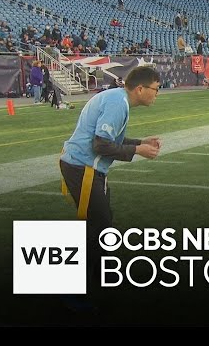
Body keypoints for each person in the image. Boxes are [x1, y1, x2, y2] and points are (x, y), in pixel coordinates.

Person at [59, 66, 162, 285]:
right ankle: (72, 288)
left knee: (101, 224)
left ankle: (102, 274)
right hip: (83, 167)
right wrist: (137, 150)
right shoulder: (117, 103)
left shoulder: (118, 98)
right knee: (99, 227)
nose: (157, 94)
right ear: (140, 89)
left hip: (86, 167)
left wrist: (139, 142)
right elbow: (101, 145)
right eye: (156, 89)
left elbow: (109, 140)